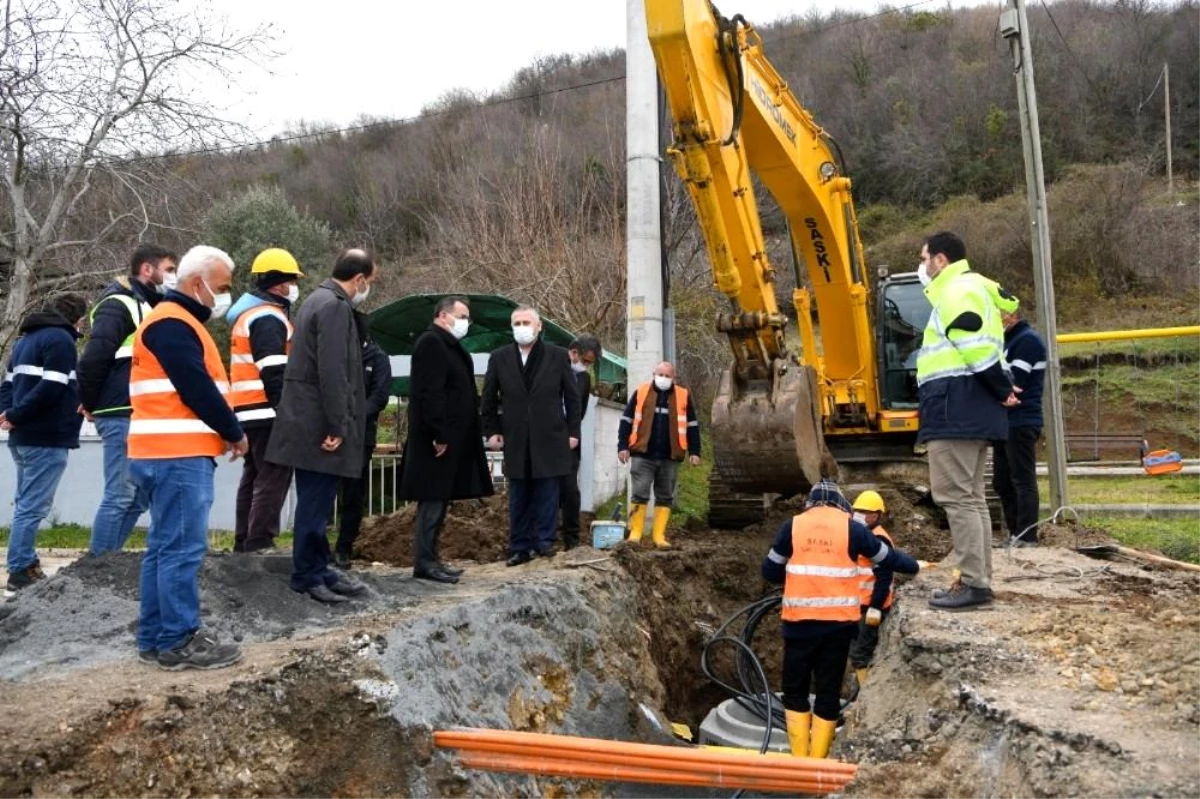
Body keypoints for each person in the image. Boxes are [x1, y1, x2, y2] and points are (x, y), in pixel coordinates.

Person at [127, 246, 246, 670]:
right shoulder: (175, 324)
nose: (225, 296)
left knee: (163, 548)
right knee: (181, 549)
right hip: (177, 455)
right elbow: (197, 388)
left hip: (162, 453)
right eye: (223, 288)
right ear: (198, 284)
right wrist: (233, 432)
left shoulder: (167, 321)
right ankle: (178, 641)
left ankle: (156, 638)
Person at [761, 480, 919, 759]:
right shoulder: (853, 529)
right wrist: (916, 566)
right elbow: (887, 558)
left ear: (810, 503)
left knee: (795, 691)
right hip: (837, 627)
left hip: (799, 624)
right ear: (841, 504)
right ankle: (817, 762)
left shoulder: (793, 526)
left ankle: (800, 761)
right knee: (828, 691)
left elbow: (771, 571)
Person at [916, 231, 1018, 612]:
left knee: (956, 497)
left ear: (940, 260)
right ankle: (979, 580)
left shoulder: (956, 291)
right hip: (969, 408)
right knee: (972, 498)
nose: (922, 266)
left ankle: (973, 583)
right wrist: (1002, 388)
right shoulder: (972, 289)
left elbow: (974, 348)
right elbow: (985, 349)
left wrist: (1001, 388)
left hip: (953, 409)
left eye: (925, 258)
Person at [266, 248, 375, 604]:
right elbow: (332, 370)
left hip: (307, 418)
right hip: (317, 422)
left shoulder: (317, 299)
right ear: (358, 279)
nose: (367, 289)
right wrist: (338, 424)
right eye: (369, 282)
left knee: (319, 499)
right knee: (314, 503)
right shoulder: (334, 307)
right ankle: (307, 575)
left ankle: (319, 566)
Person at [77, 244, 178, 556]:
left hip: (137, 411)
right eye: (169, 269)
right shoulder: (118, 305)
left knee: (137, 497)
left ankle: (108, 562)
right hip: (119, 410)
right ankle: (95, 569)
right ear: (147, 270)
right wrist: (90, 402)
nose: (174, 276)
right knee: (121, 493)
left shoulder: (149, 306)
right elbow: (95, 357)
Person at [397, 296, 493, 582]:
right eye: (462, 316)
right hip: (436, 442)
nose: (466, 322)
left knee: (440, 501)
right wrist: (438, 433)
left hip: (451, 440)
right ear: (443, 315)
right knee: (432, 500)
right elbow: (431, 393)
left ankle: (433, 558)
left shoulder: (448, 345)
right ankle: (424, 561)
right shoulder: (431, 343)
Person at [1, 293, 89, 591]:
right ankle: (21, 569)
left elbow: (8, 384)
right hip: (46, 436)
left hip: (23, 436)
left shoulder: (24, 341)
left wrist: (9, 414)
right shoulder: (61, 340)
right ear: (77, 318)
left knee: (26, 502)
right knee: (33, 505)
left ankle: (24, 562)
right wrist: (16, 414)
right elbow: (52, 387)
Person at [481, 305, 581, 566]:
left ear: (539, 327)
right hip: (515, 436)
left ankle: (544, 543)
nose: (522, 327)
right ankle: (519, 546)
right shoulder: (500, 357)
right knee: (519, 494)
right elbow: (489, 398)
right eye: (517, 323)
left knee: (548, 491)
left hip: (550, 434)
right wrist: (491, 431)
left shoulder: (558, 356)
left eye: (527, 322)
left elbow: (571, 397)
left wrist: (573, 431)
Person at [227, 248, 303, 554]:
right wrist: (286, 412)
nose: (294, 287)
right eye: (293, 281)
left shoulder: (248, 315)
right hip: (265, 410)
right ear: (281, 285)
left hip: (247, 410)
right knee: (273, 475)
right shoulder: (268, 318)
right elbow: (273, 369)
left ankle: (244, 540)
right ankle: (260, 541)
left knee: (255, 475)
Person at [616, 361, 701, 549]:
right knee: (639, 493)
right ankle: (636, 533)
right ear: (654, 374)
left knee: (665, 496)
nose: (663, 378)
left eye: (667, 375)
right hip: (642, 453)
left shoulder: (683, 396)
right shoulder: (641, 392)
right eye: (660, 374)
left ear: (674, 378)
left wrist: (695, 451)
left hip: (670, 456)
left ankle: (658, 536)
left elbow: (692, 426)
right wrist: (622, 446)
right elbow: (626, 420)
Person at [332, 309, 394, 568]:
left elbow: (379, 397)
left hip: (360, 436)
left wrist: (354, 419)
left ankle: (344, 546)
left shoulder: (378, 358)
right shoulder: (336, 354)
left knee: (353, 494)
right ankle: (316, 543)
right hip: (331, 431)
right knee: (324, 491)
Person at [994, 299, 1046, 546]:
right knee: (1002, 481)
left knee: (1022, 479)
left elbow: (1014, 382)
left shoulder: (1027, 341)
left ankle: (1027, 536)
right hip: (1005, 422)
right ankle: (1015, 533)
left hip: (1022, 419)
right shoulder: (1007, 341)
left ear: (1010, 316)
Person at [846, 490, 896, 686]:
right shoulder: (862, 536)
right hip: (858, 606)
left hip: (871, 608)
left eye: (864, 512)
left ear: (876, 515)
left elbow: (884, 577)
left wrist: (875, 607)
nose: (858, 515)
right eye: (857, 511)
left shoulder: (878, 539)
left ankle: (864, 697)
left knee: (860, 654)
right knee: (853, 650)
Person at [559, 335, 601, 550]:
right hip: (547, 437)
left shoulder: (584, 379)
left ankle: (572, 538)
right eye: (585, 361)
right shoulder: (554, 369)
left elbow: (580, 411)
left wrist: (572, 433)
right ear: (573, 352)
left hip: (571, 440)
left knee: (570, 489)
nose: (586, 366)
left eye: (590, 363)